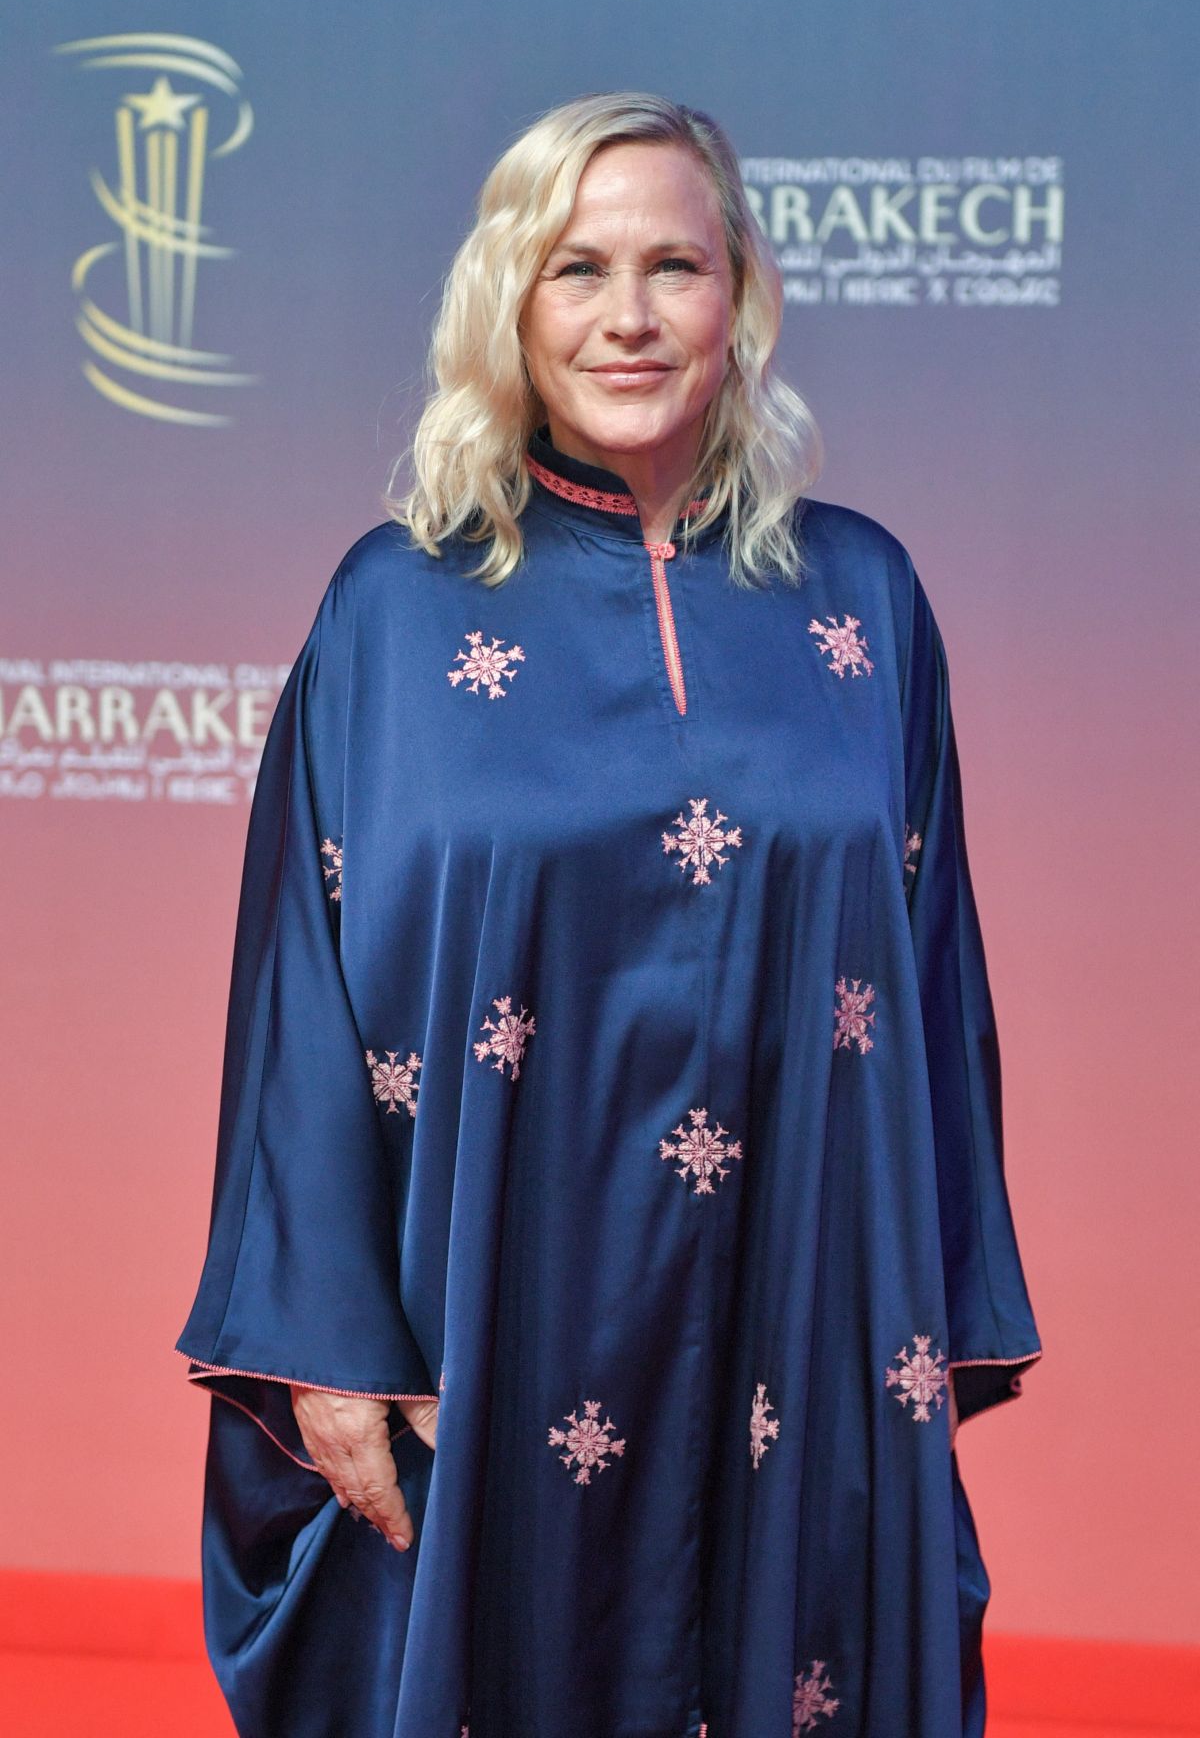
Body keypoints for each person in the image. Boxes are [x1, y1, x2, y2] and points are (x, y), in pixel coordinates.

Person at [175, 90, 1042, 1738]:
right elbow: (300, 992)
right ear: (511, 300)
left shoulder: (863, 599)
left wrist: (927, 1306)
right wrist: (325, 1336)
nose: (629, 316)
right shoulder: (395, 607)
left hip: (804, 1302)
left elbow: (931, 979)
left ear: (742, 303)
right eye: (578, 268)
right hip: (488, 1310)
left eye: (675, 267)